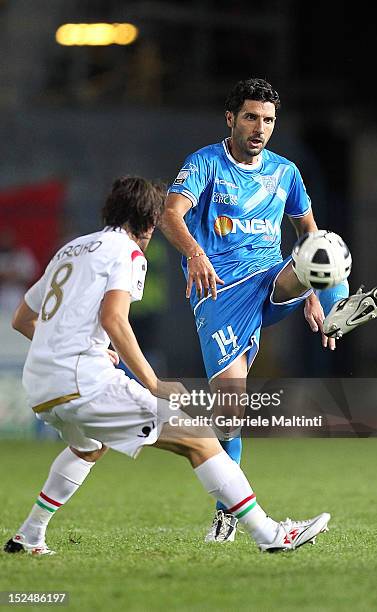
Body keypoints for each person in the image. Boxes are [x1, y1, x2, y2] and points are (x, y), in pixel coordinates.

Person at [4, 175, 330, 556]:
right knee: (200, 440)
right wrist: (152, 382)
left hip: (43, 383)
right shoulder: (126, 252)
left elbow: (23, 319)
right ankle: (270, 535)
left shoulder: (71, 250)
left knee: (88, 447)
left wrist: (75, 347)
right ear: (148, 222)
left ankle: (30, 534)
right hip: (85, 382)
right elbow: (114, 319)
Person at [160, 78, 377, 542]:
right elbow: (170, 214)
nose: (259, 127)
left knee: (323, 246)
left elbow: (307, 230)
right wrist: (197, 255)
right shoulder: (205, 163)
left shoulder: (285, 172)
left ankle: (337, 311)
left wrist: (311, 291)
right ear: (231, 119)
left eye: (267, 120)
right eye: (250, 117)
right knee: (231, 410)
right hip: (220, 293)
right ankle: (228, 508)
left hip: (271, 279)